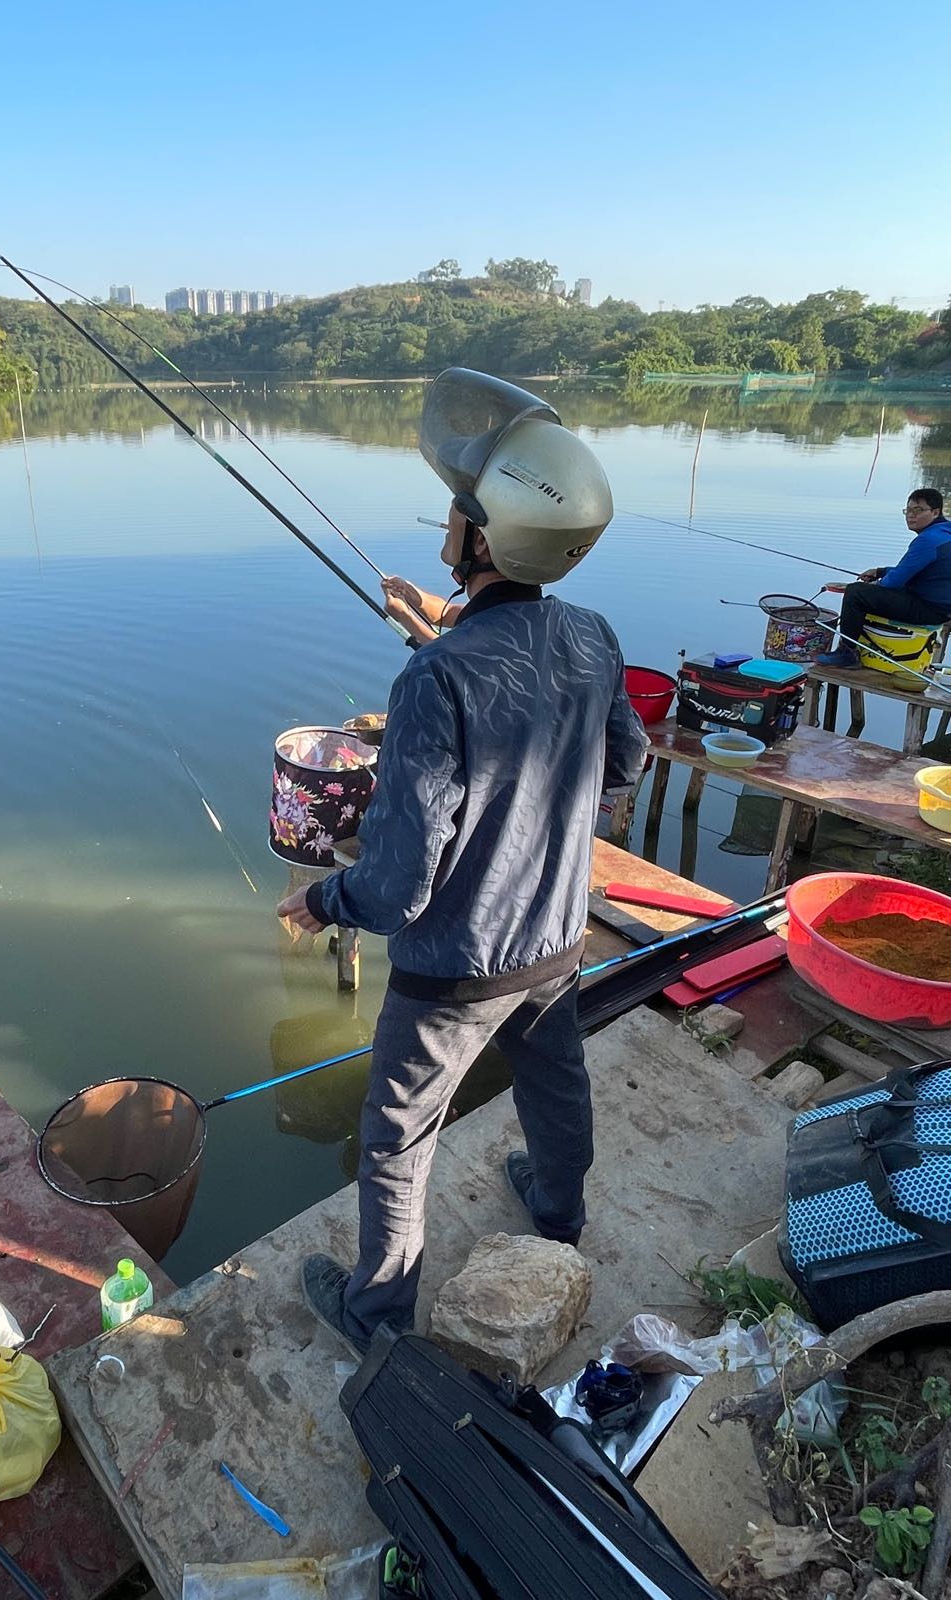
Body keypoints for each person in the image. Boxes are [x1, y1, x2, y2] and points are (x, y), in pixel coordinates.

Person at [275, 368, 649, 1355]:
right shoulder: (594, 635)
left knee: (397, 1139)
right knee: (554, 1083)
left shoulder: (432, 682)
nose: (445, 525)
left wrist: (321, 899)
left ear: (482, 538)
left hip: (452, 973)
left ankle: (379, 1315)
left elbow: (397, 888)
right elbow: (626, 759)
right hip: (555, 940)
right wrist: (432, 628)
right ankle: (559, 1212)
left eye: (456, 512)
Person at [818, 488, 951, 668]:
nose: (910, 516)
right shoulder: (944, 533)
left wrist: (876, 584)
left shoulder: (927, 540)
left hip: (930, 609)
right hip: (941, 606)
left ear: (935, 512)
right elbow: (918, 571)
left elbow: (893, 583)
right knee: (867, 592)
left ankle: (847, 653)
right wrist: (881, 571)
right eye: (908, 510)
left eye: (917, 510)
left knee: (856, 593)